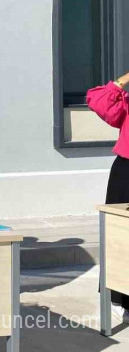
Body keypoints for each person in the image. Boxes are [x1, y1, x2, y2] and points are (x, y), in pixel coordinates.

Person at [87, 70, 129, 320]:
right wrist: (124, 79)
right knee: (120, 235)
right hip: (127, 171)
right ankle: (120, 298)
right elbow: (99, 101)